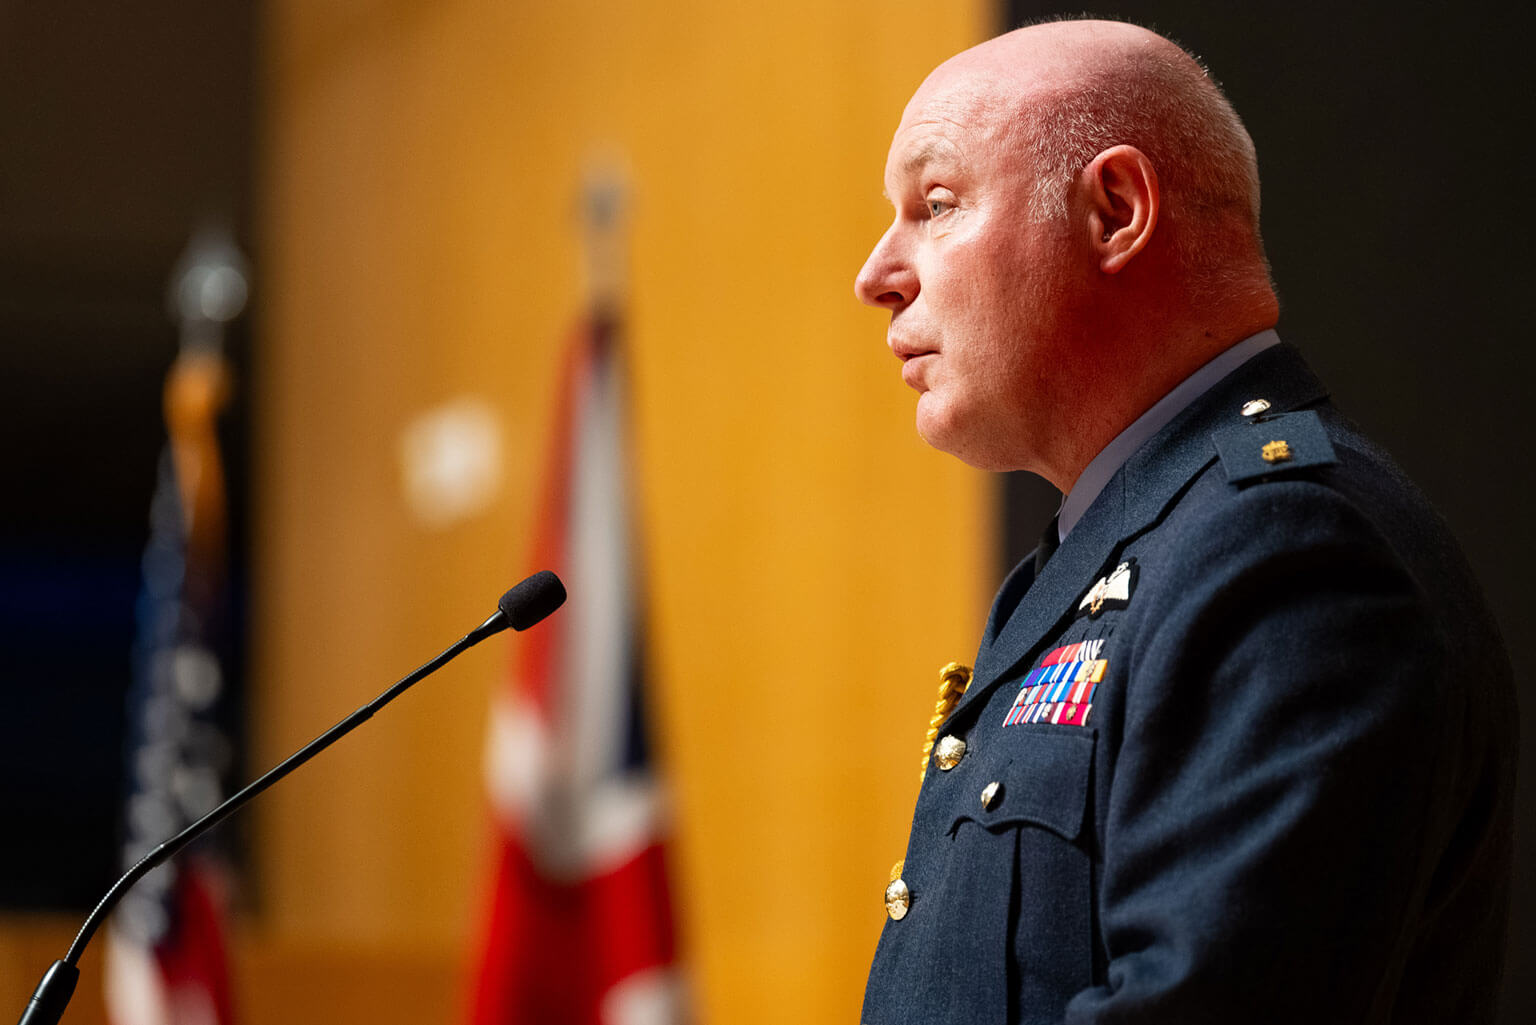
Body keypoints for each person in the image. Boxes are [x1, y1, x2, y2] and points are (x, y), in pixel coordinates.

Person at [854, 18, 1516, 1025]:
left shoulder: (1290, 553)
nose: (876, 274)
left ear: (1116, 210)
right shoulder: (1121, 548)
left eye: (936, 206)